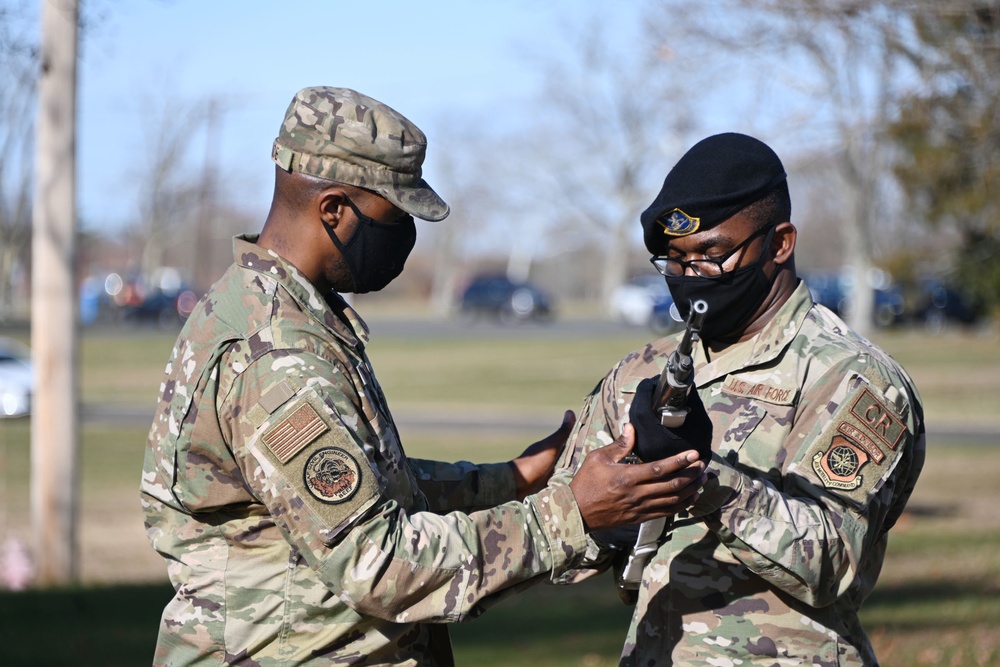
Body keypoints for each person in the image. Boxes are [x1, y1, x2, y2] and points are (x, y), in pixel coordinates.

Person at [139, 86, 706, 666]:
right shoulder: (278, 359)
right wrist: (573, 513)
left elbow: (363, 488)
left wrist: (510, 480)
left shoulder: (278, 310)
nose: (407, 236)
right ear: (333, 209)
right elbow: (379, 564)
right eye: (394, 217)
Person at [551, 132, 926, 666]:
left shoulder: (852, 378)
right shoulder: (641, 372)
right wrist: (613, 499)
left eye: (713, 254)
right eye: (676, 260)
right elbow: (564, 543)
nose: (691, 275)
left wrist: (698, 475)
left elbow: (831, 564)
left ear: (779, 244)